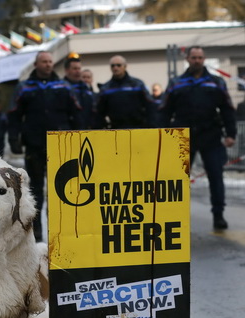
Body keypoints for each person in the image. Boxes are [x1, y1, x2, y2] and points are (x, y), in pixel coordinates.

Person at [161, 46, 236, 230]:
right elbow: (164, 111)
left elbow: (227, 109)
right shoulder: (176, 82)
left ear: (204, 59)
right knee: (177, 180)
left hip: (210, 134)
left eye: (200, 57)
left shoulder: (216, 82)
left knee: (216, 177)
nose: (197, 60)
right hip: (183, 137)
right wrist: (161, 135)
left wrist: (231, 133)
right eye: (193, 57)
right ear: (187, 59)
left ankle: (218, 215)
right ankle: (174, 217)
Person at [7, 50, 80, 241]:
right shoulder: (24, 87)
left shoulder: (64, 86)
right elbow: (14, 115)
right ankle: (37, 232)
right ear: (37, 64)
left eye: (50, 61)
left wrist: (79, 137)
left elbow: (77, 113)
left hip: (61, 144)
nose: (48, 64)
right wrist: (13, 139)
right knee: (35, 190)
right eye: (44, 61)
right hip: (34, 144)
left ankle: (63, 230)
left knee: (63, 189)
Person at [96, 55, 155, 129]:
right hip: (116, 129)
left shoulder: (137, 84)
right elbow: (99, 111)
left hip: (138, 128)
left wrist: (150, 125)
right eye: (113, 66)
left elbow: (149, 104)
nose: (115, 68)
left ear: (125, 66)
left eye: (118, 65)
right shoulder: (106, 88)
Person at [64, 56, 96, 129]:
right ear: (67, 70)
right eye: (75, 69)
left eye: (79, 68)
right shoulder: (62, 88)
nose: (78, 71)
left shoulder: (86, 90)